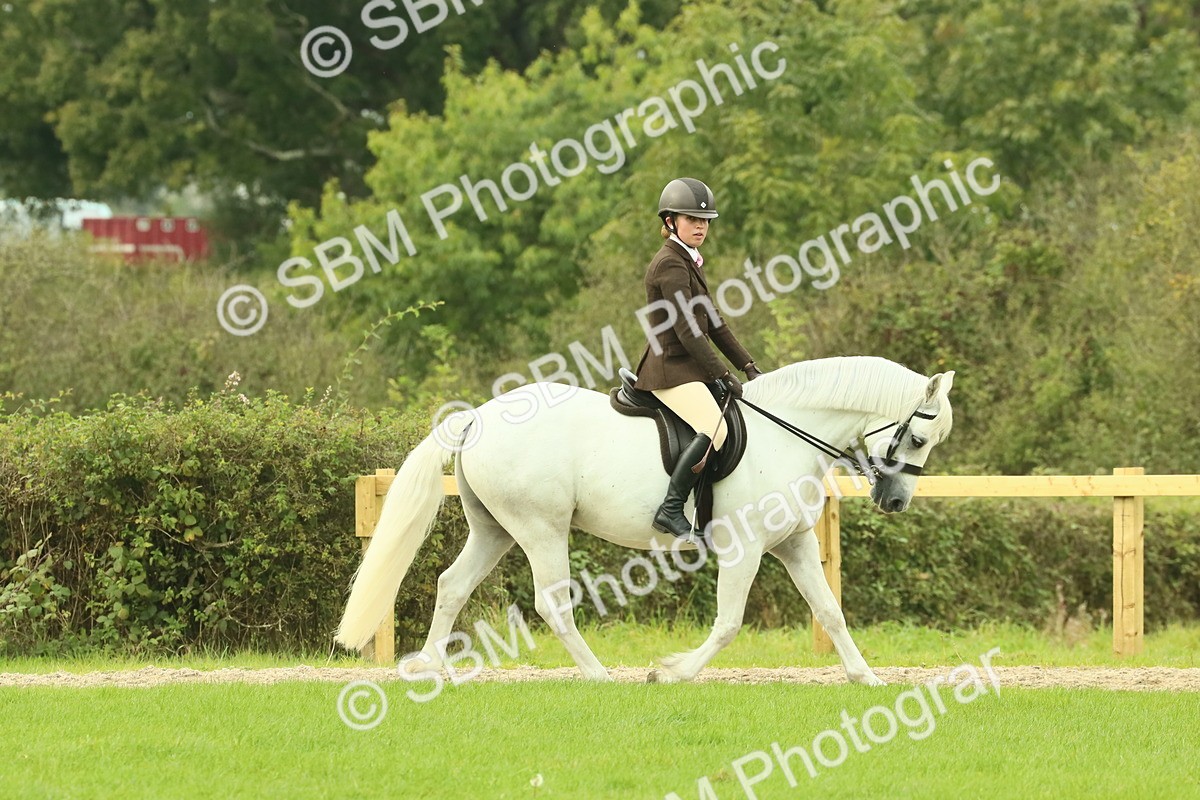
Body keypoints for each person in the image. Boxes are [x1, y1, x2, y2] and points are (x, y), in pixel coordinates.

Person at [633, 177, 763, 538]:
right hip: (668, 369)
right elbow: (688, 329)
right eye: (692, 220)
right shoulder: (670, 265)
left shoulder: (688, 261)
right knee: (716, 427)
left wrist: (748, 365)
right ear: (671, 221)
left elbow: (713, 322)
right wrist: (721, 373)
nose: (701, 226)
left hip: (686, 367)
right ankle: (671, 508)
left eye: (705, 221)